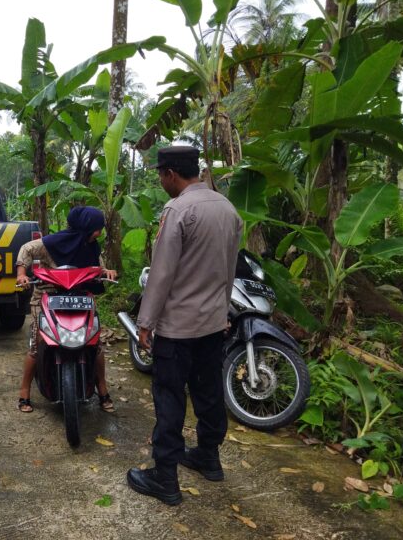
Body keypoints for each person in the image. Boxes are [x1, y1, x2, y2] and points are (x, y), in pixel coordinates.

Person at [126, 146, 242, 505]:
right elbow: (229, 269)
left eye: (161, 176)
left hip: (177, 329)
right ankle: (209, 457)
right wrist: (222, 314)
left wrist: (145, 322)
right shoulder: (227, 208)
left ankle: (165, 477)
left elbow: (161, 274)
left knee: (170, 398)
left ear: (171, 174)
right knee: (209, 394)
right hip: (212, 325)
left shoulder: (178, 210)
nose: (161, 183)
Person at [15, 206, 118, 413]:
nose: (99, 232)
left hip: (80, 298)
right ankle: (24, 392)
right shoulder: (51, 243)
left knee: (95, 345)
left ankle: (102, 388)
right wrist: (21, 273)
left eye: (100, 228)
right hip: (47, 297)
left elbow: (98, 267)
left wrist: (106, 272)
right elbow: (27, 249)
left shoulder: (91, 246)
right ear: (84, 227)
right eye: (96, 228)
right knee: (36, 345)